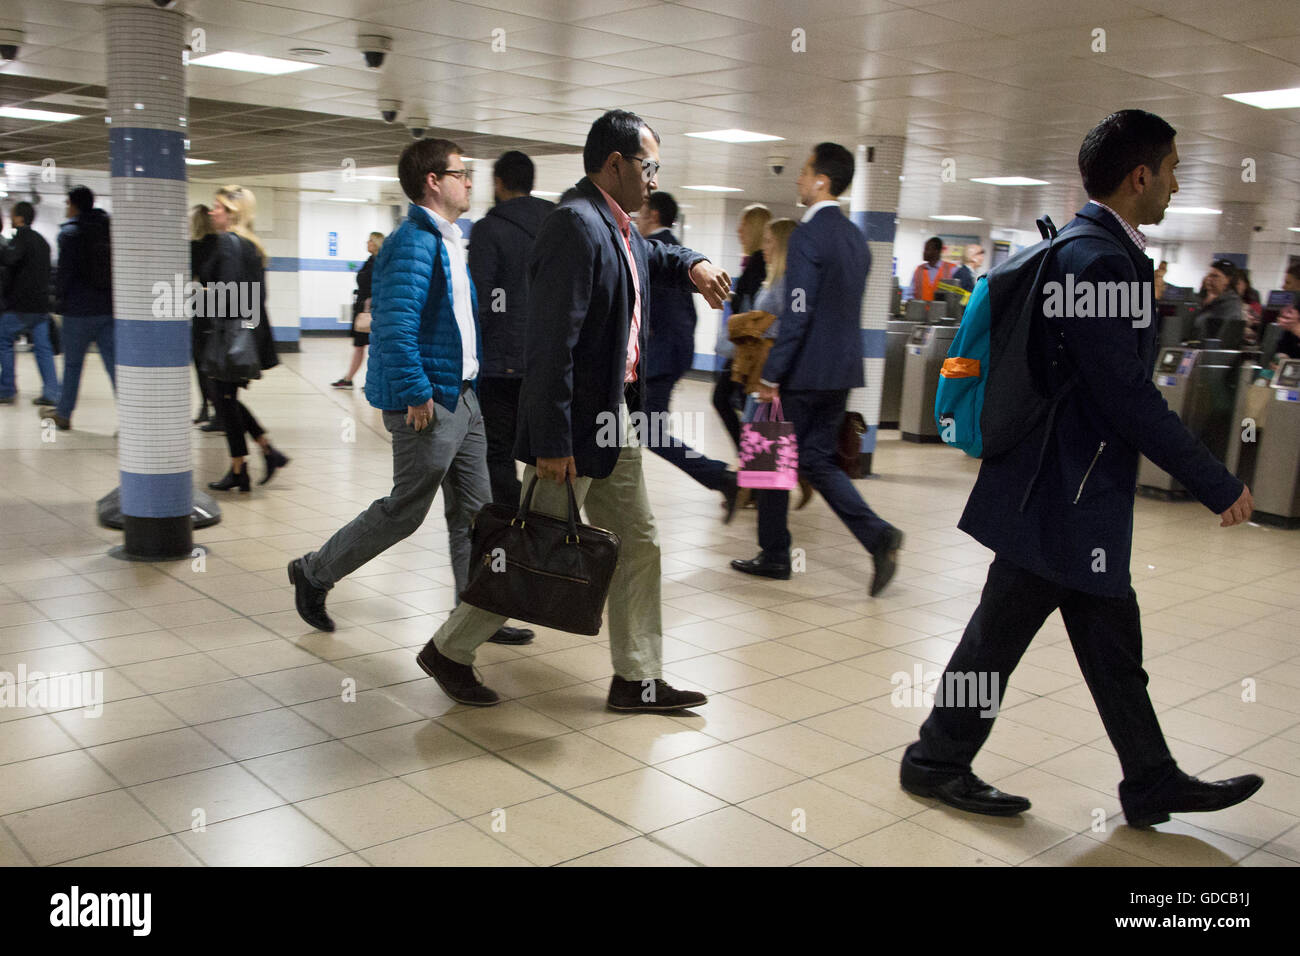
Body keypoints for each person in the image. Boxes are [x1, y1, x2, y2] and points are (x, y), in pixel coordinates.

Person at [900, 109, 1263, 829]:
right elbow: (1122, 393)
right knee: (1000, 638)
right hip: (1061, 493)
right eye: (1172, 170)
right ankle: (937, 760)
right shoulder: (1096, 260)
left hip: (1065, 488)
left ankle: (1151, 777)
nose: (1176, 184)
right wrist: (1214, 481)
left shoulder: (1090, 247)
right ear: (1139, 176)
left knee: (1105, 639)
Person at [415, 109, 731, 710]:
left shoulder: (618, 225)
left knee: (639, 541)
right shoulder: (574, 225)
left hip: (617, 418)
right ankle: (449, 650)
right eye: (649, 165)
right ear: (616, 163)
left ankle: (637, 678)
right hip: (579, 425)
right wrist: (554, 441)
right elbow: (550, 344)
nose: (654, 178)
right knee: (530, 547)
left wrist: (692, 262)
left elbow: (652, 257)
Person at [288, 139, 530, 647]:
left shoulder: (447, 238)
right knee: (404, 511)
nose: (469, 181)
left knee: (475, 516)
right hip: (429, 402)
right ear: (432, 181)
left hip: (464, 397)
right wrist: (419, 393)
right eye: (461, 173)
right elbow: (393, 327)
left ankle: (475, 615)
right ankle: (314, 572)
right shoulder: (411, 242)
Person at [731, 143, 904, 595]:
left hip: (802, 373)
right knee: (816, 460)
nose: (799, 180)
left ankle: (774, 554)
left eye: (805, 173)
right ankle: (877, 535)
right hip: (843, 372)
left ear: (822, 180)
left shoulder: (809, 236)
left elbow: (799, 312)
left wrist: (771, 376)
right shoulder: (855, 238)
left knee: (769, 457)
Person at [638, 190, 739, 517]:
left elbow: (673, 317)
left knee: (647, 433)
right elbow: (687, 316)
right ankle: (734, 483)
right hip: (667, 357)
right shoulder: (672, 250)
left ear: (652, 215)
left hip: (660, 360)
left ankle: (724, 478)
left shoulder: (657, 253)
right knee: (633, 432)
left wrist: (658, 357)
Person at [467, 150, 555, 506]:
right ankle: (553, 527)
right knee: (544, 452)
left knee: (497, 452)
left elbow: (485, 300)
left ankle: (516, 525)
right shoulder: (559, 224)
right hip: (548, 363)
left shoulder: (490, 229)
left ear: (498, 183)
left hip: (501, 365)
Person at [200, 186, 290, 492]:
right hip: (247, 334)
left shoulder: (229, 244)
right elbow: (257, 296)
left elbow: (229, 295)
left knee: (222, 399)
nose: (212, 212)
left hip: (229, 335)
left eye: (218, 207)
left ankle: (243, 467)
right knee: (225, 399)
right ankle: (262, 453)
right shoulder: (252, 245)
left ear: (233, 213)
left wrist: (201, 296)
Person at [730, 218, 811, 510]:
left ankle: (755, 504)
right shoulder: (775, 279)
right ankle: (761, 497)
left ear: (782, 245)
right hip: (762, 371)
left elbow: (788, 328)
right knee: (761, 444)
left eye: (769, 242)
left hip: (769, 373)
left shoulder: (788, 282)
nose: (764, 247)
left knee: (762, 447)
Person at [50, 186, 115, 431]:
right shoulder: (107, 228)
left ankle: (64, 414)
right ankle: (131, 416)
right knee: (113, 365)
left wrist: (59, 300)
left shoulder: (69, 233)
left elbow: (65, 273)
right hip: (107, 308)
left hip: (78, 311)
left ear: (73, 205)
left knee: (73, 365)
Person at [714, 204, 770, 451]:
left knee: (725, 400)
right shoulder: (755, 262)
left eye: (743, 226)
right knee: (737, 403)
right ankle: (751, 459)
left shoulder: (758, 263)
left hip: (748, 350)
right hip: (747, 349)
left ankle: (750, 458)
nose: (738, 231)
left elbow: (754, 309)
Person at [0, 202, 60, 407]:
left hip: (21, 306)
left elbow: (9, 259)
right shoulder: (42, 241)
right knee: (43, 348)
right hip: (42, 306)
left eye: (12, 215)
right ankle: (52, 392)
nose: (10, 218)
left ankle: (7, 388)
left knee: (4, 341)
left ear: (19, 218)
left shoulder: (21, 238)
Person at [331, 232, 384, 390]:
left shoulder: (378, 263)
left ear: (376, 243)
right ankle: (350, 378)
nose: (367, 243)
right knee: (360, 345)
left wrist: (370, 303)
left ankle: (368, 381)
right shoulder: (370, 261)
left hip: (370, 310)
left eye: (370, 241)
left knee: (371, 347)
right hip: (363, 308)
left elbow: (376, 286)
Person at [190, 205, 223, 430]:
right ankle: (214, 406)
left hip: (201, 306)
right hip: (220, 306)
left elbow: (190, 276)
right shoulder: (221, 245)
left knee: (201, 359)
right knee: (214, 360)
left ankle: (207, 405)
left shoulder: (194, 247)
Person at [1190, 258, 1243, 341]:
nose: (1209, 279)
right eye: (1209, 275)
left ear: (1228, 280)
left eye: (1215, 276)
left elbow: (1219, 333)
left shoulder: (1231, 304)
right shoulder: (1205, 300)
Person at [908, 236, 956, 301]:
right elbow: (910, 292)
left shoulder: (952, 269)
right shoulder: (919, 269)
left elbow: (955, 295)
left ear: (936, 251)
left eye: (927, 249)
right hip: (919, 310)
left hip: (941, 310)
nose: (924, 252)